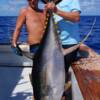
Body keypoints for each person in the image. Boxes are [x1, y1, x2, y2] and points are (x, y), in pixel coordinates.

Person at [45, 0, 81, 99]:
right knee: (50, 77)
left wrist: (56, 10)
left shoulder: (72, 1)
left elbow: (76, 17)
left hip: (68, 44)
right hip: (51, 45)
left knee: (62, 77)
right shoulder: (51, 3)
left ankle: (63, 95)